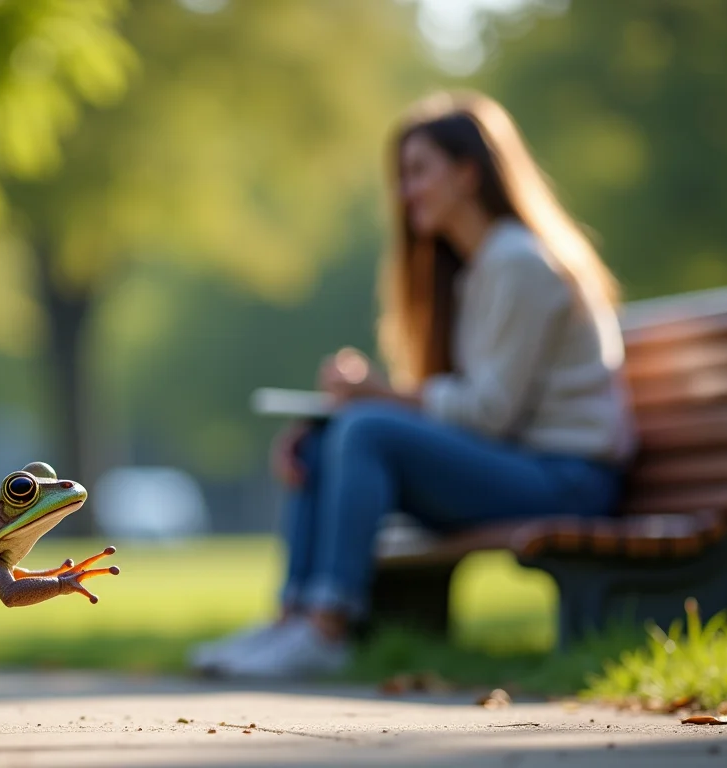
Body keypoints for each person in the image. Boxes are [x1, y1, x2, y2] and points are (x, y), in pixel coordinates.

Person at [190, 90, 638, 679]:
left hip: (570, 479)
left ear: (468, 173)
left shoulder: (518, 262)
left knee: (367, 429)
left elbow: (491, 413)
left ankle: (327, 629)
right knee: (327, 440)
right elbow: (470, 406)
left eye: (419, 171)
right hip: (528, 467)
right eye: (403, 176)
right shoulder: (480, 270)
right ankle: (292, 618)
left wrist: (378, 395)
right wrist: (327, 425)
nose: (406, 192)